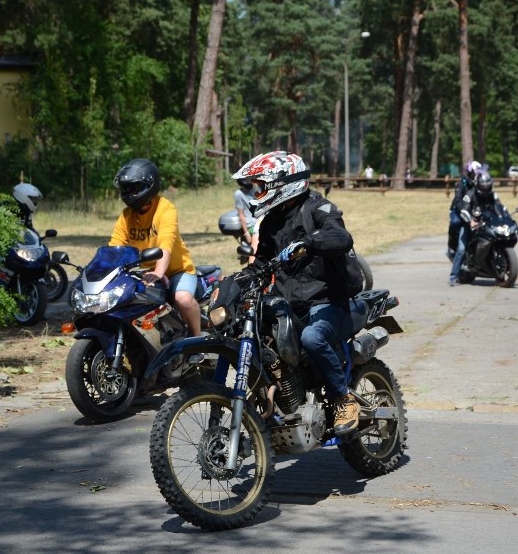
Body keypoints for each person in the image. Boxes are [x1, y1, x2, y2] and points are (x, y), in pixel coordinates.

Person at [232, 150, 361, 435]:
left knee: (312, 338)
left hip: (327, 302)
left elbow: (341, 237)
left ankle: (343, 398)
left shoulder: (318, 207)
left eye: (262, 185)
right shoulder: (270, 222)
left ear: (283, 183)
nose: (258, 191)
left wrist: (311, 242)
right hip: (289, 305)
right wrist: (240, 281)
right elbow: (262, 263)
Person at [108, 158, 202, 337]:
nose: (128, 193)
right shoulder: (126, 216)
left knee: (182, 299)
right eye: (125, 188)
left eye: (133, 188)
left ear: (149, 186)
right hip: (143, 273)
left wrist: (159, 272)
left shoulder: (165, 209)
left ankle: (198, 342)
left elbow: (166, 243)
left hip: (177, 271)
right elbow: (114, 248)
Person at [448, 160, 483, 286]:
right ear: (470, 173)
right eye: (475, 174)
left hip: (476, 215)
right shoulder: (461, 184)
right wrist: (469, 220)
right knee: (462, 248)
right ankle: (453, 276)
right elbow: (458, 203)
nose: (477, 176)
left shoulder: (480, 184)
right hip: (463, 216)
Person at [233, 176, 259, 260]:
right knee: (254, 251)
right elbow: (241, 215)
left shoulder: (255, 189)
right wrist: (246, 234)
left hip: (259, 220)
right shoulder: (238, 194)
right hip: (251, 225)